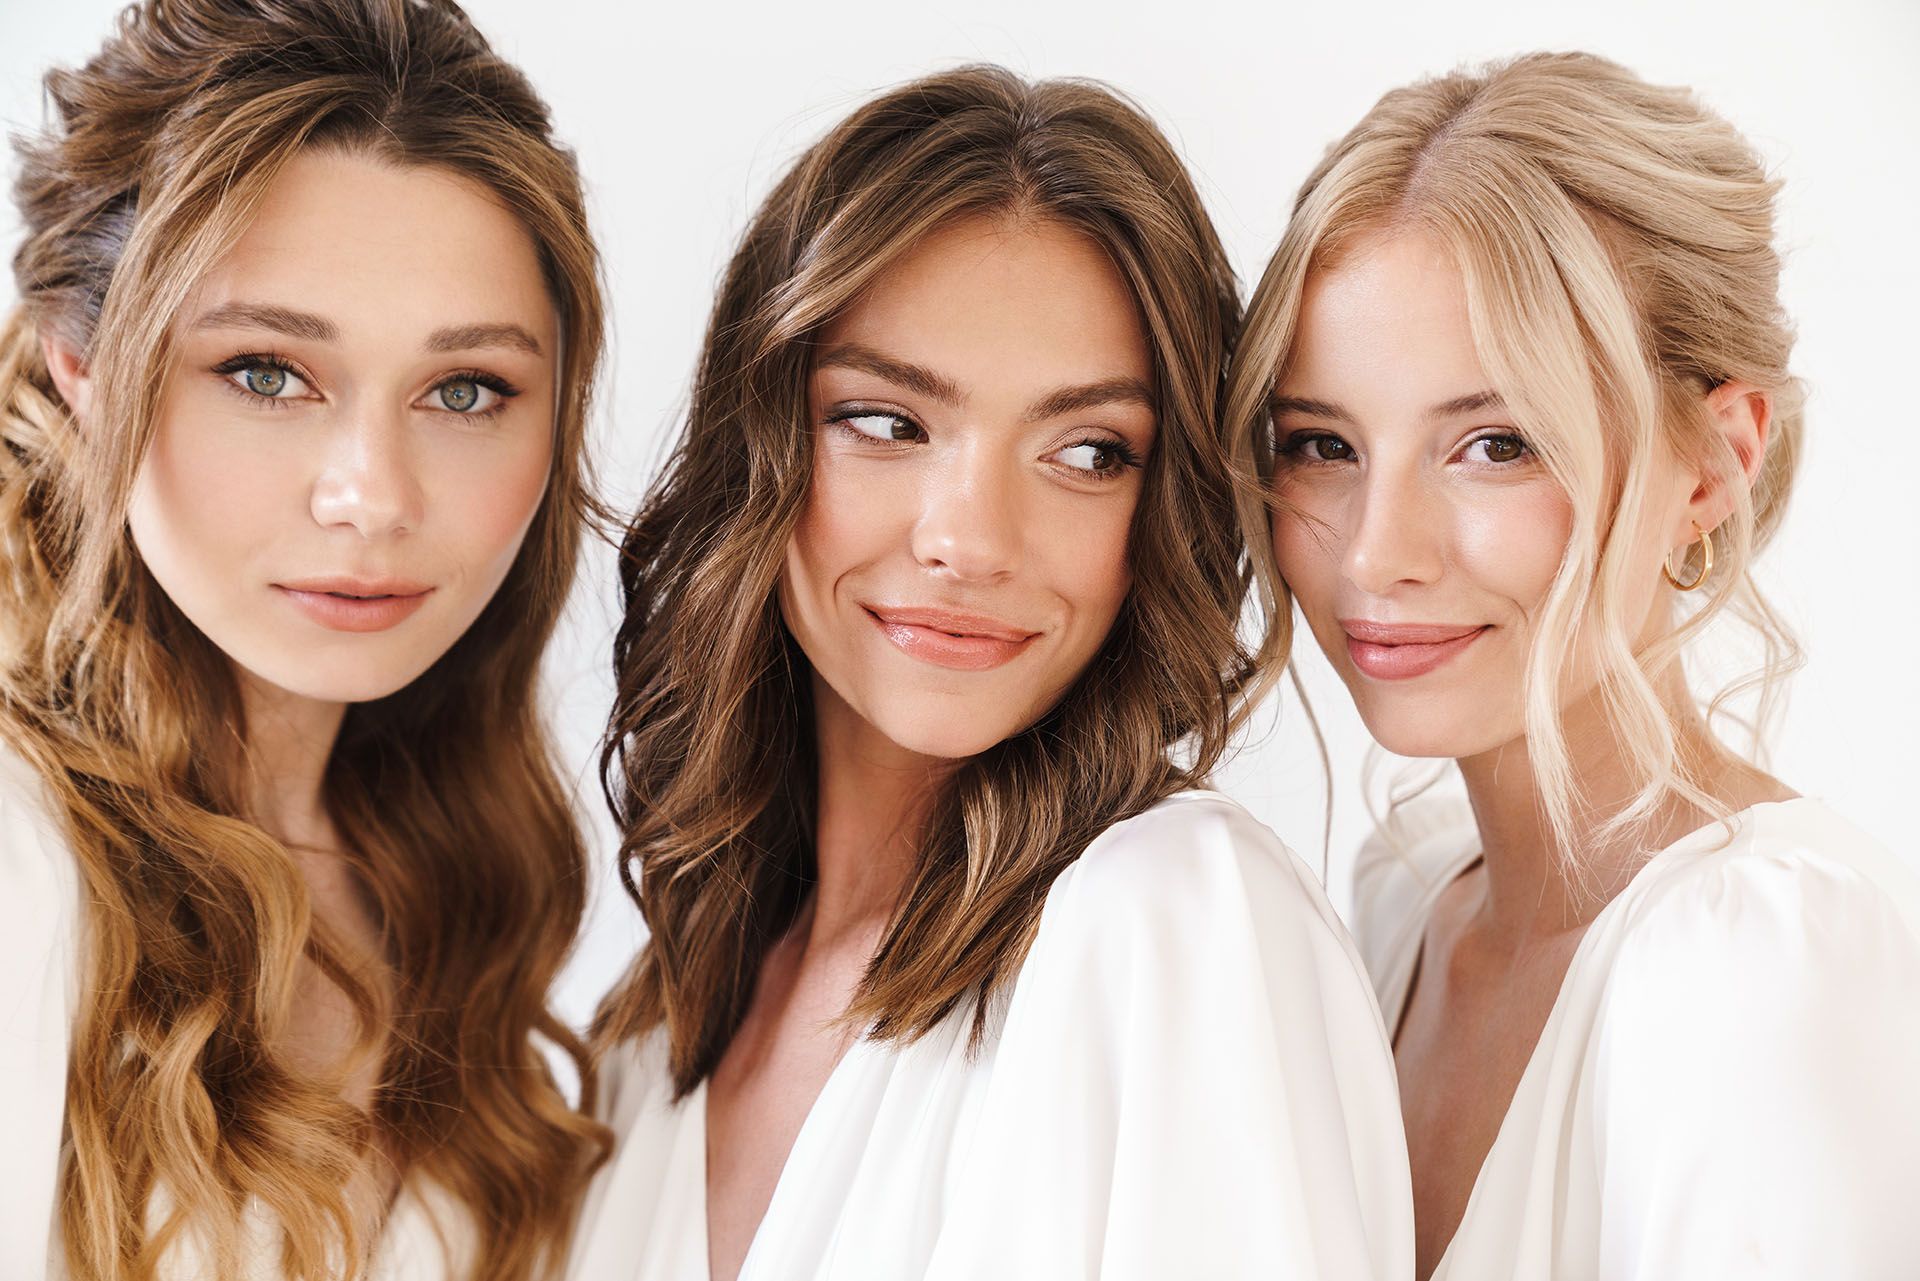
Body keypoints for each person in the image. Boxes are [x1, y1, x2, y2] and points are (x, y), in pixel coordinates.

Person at [568, 66, 1412, 1281]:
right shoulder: (653, 1031)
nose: (969, 537)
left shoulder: (1170, 922)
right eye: (887, 422)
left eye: (1085, 450)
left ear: (1158, 511)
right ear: (758, 444)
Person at [1226, 50, 1920, 1280]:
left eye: (1494, 445)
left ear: (1712, 464)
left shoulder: (1756, 964)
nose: (1377, 554)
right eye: (1322, 444)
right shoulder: (1404, 907)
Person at [0, 1, 608, 1276]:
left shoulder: (445, 870)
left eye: (465, 390)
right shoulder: (22, 856)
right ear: (80, 362)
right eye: (268, 371)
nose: (372, 495)